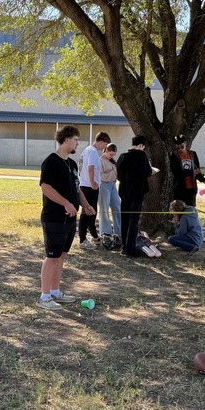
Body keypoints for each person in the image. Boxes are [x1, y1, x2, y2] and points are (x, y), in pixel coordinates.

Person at [37, 125, 93, 311]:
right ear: (67, 139)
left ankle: (55, 292)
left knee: (61, 256)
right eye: (76, 139)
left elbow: (76, 189)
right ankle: (44, 297)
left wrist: (84, 205)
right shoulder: (51, 161)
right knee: (52, 257)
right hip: (54, 218)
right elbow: (46, 187)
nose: (78, 143)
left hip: (70, 219)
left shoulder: (72, 163)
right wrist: (65, 204)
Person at [116, 135, 153, 258]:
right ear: (142, 145)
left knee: (125, 219)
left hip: (124, 192)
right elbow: (147, 172)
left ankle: (124, 246)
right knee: (133, 220)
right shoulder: (141, 156)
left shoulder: (122, 156)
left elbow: (118, 176)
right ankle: (130, 248)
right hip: (137, 192)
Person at [77, 132, 110, 250]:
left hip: (85, 185)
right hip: (89, 186)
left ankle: (94, 236)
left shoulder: (87, 150)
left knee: (92, 212)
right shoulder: (93, 152)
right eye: (104, 145)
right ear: (100, 142)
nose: (104, 148)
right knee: (88, 212)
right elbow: (90, 168)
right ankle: (82, 239)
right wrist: (93, 184)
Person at [168, 135, 205, 207]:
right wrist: (192, 172)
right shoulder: (174, 156)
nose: (180, 149)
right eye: (177, 147)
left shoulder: (193, 154)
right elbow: (176, 173)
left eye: (182, 146)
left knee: (191, 210)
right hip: (179, 189)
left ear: (185, 143)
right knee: (179, 212)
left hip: (191, 189)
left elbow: (197, 170)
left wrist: (204, 180)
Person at [97, 143, 122, 249]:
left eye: (114, 155)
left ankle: (119, 232)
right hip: (103, 186)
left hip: (112, 185)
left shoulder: (111, 161)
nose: (112, 156)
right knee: (104, 209)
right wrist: (113, 172)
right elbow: (100, 176)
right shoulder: (99, 161)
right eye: (111, 154)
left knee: (117, 207)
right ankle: (105, 233)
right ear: (105, 151)